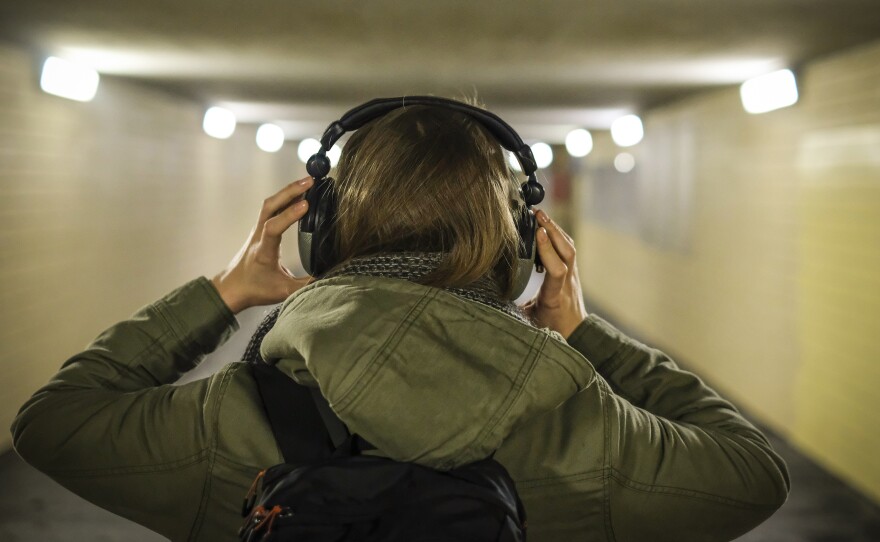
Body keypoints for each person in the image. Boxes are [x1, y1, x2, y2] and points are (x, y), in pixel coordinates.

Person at [11, 101, 789, 542]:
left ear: (325, 234)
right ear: (518, 249)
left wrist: (222, 291)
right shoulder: (584, 422)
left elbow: (53, 424)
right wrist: (584, 332)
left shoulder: (229, 416)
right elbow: (754, 473)